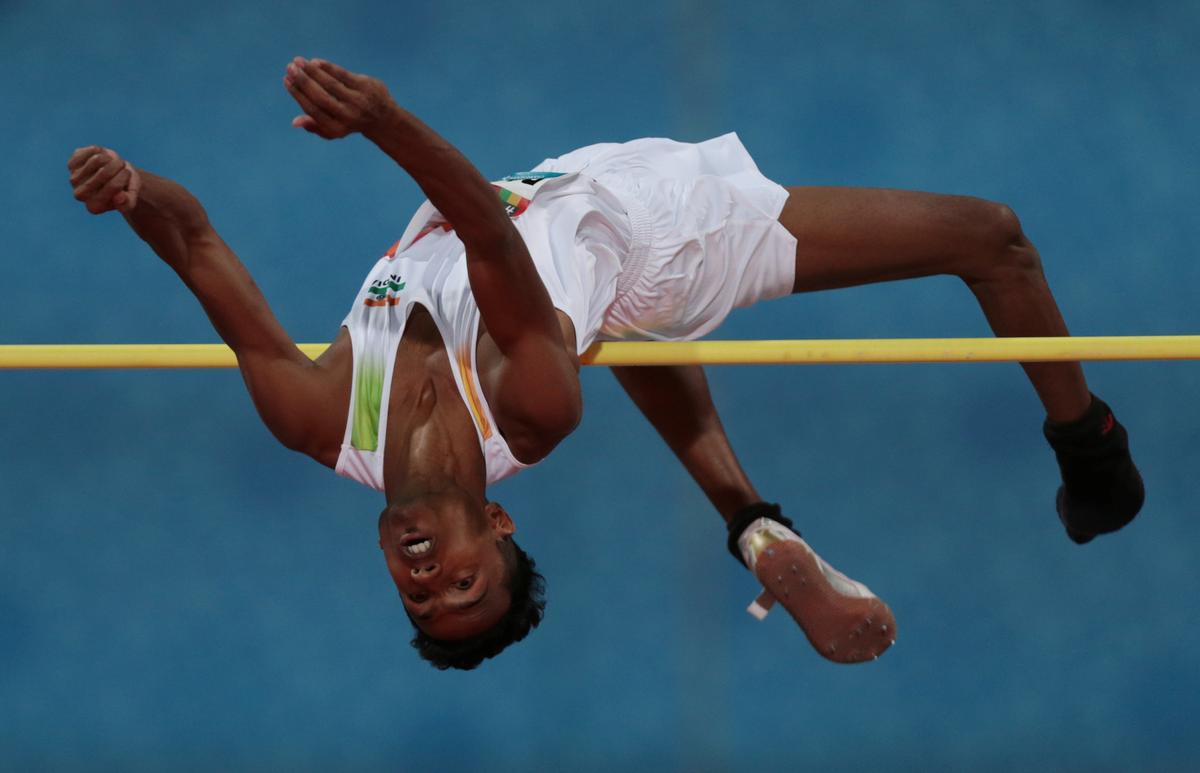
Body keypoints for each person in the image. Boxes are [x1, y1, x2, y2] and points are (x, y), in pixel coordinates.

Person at [67, 56, 1143, 670]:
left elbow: (198, 245)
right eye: (464, 584)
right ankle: (1092, 450)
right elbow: (482, 238)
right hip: (660, 232)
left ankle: (751, 519)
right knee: (990, 236)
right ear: (500, 525)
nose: (428, 574)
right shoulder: (528, 417)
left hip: (563, 201)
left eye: (418, 596)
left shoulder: (317, 417)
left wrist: (132, 190)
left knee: (614, 331)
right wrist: (386, 120)